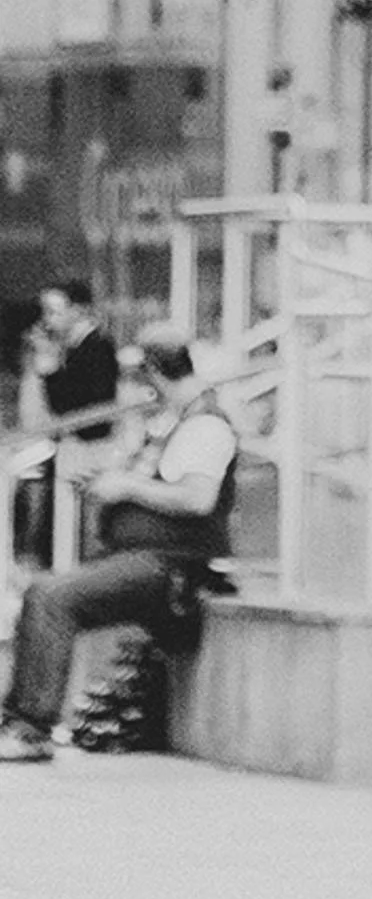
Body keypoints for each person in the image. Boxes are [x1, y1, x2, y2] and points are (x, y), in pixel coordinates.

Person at [0, 324, 237, 763]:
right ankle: (17, 719)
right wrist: (110, 480)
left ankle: (31, 728)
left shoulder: (206, 426)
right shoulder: (172, 423)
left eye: (137, 380)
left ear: (155, 374)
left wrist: (126, 487)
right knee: (40, 592)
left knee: (54, 598)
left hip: (172, 569)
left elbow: (197, 498)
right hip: (143, 560)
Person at [11, 276, 123, 569]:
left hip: (90, 447)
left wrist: (50, 372)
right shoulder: (74, 348)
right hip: (75, 446)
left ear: (79, 310)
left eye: (55, 311)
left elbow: (79, 409)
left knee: (74, 525)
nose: (48, 320)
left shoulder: (96, 347)